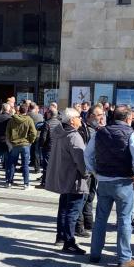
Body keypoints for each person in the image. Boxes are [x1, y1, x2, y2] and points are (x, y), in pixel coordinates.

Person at [84, 105, 134, 267]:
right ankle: (124, 258)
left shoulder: (99, 132)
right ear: (128, 118)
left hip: (104, 181)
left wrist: (94, 172)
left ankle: (95, 254)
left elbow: (87, 154)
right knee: (124, 220)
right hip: (124, 182)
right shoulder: (131, 134)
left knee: (100, 219)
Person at [46, 108, 89, 255]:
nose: (81, 119)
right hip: (74, 179)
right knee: (72, 211)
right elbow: (81, 161)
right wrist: (87, 174)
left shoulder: (59, 132)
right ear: (72, 120)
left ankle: (61, 237)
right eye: (78, 117)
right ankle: (69, 242)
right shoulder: (74, 136)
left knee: (64, 209)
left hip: (63, 176)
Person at [76, 104, 105, 237]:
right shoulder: (83, 129)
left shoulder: (97, 129)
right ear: (92, 116)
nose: (102, 118)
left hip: (94, 170)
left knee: (90, 196)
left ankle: (88, 222)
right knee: (83, 197)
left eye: (102, 115)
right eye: (99, 115)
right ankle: (78, 226)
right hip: (86, 170)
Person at [5, 102, 38, 189]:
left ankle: (9, 182)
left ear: (19, 110)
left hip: (14, 144)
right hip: (25, 144)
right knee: (25, 165)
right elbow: (34, 133)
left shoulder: (12, 120)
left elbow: (7, 132)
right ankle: (26, 183)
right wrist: (30, 141)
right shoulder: (29, 120)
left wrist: (9, 142)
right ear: (27, 111)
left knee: (12, 164)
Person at [36, 107, 62, 189]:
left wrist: (41, 145)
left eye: (47, 113)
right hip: (57, 147)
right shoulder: (60, 123)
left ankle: (44, 183)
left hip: (48, 147)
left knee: (46, 166)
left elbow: (43, 137)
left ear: (50, 114)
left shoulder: (47, 123)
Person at [28, 102, 45, 174]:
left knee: (27, 152)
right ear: (35, 108)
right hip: (37, 135)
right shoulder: (40, 116)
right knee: (36, 152)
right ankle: (37, 168)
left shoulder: (27, 115)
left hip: (28, 136)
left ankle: (25, 166)